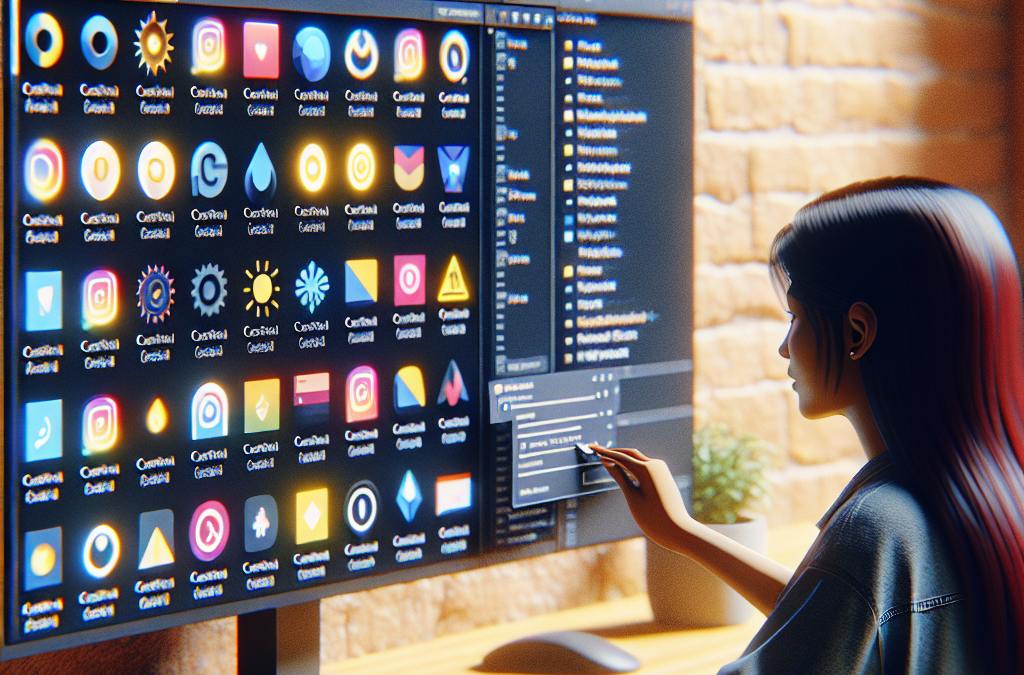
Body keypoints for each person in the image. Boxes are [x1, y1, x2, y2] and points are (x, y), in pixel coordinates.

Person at [595, 177, 1024, 674]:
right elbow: (849, 621)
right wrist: (685, 533)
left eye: (794, 316)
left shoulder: (875, 530)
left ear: (857, 332)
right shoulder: (988, 496)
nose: (784, 346)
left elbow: (850, 600)